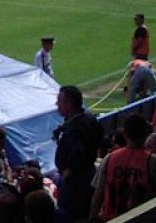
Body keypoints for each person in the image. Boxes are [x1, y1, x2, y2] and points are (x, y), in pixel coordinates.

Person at [90, 114, 156, 221]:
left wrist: (93, 219)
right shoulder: (155, 163)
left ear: (125, 134)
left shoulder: (109, 159)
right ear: (146, 134)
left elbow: (97, 197)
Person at [54, 85, 102, 222]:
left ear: (69, 104)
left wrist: (68, 171)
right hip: (88, 174)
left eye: (59, 100)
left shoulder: (75, 127)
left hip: (76, 182)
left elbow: (77, 154)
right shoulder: (89, 119)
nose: (57, 104)